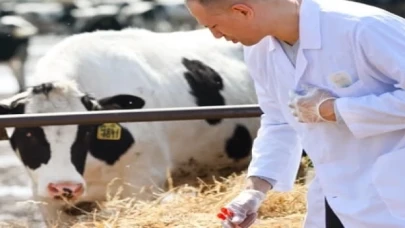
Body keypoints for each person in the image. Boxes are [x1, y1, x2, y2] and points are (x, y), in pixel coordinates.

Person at [185, 0, 405, 227]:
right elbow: (279, 120)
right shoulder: (259, 50)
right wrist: (255, 191)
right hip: (336, 197)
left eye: (214, 26)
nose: (216, 36)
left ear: (243, 11)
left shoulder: (362, 27)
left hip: (395, 194)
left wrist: (336, 110)